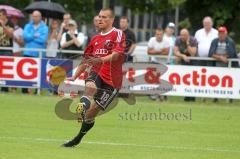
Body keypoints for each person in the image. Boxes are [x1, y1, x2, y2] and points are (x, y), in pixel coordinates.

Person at [62, 8, 125, 147]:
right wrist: (75, 76)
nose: (100, 19)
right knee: (90, 87)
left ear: (112, 19)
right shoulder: (95, 39)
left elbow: (116, 55)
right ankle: (82, 106)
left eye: (104, 17)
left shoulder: (118, 34)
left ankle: (78, 138)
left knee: (92, 113)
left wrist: (100, 59)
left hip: (113, 80)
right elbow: (86, 60)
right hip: (97, 72)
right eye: (99, 17)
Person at [208, 26, 238, 103]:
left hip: (229, 66)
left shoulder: (230, 41)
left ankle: (230, 98)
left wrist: (220, 56)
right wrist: (221, 58)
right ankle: (215, 97)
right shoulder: (214, 41)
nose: (221, 35)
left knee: (230, 82)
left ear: (226, 33)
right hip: (217, 65)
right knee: (216, 81)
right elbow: (211, 53)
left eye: (222, 33)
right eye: (220, 33)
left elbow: (232, 54)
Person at [22, 10, 48, 94]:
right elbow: (25, 37)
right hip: (28, 52)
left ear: (40, 17)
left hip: (39, 54)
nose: (35, 18)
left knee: (38, 73)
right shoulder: (27, 25)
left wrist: (31, 37)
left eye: (37, 16)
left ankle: (37, 91)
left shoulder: (45, 27)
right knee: (25, 73)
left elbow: (43, 39)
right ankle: (25, 91)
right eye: (34, 16)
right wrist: (35, 35)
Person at [174, 28, 198, 102]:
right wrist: (183, 56)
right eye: (181, 35)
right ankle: (186, 96)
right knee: (185, 79)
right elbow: (175, 52)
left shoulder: (193, 40)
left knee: (193, 79)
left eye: (184, 35)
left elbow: (193, 53)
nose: (182, 37)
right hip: (183, 61)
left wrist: (187, 44)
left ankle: (192, 96)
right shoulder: (178, 39)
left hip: (193, 62)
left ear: (188, 35)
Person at [147, 28, 170, 101]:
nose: (159, 36)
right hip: (154, 62)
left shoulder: (166, 41)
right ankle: (154, 95)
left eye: (160, 34)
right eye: (157, 34)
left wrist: (154, 51)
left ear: (163, 35)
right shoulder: (152, 40)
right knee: (154, 80)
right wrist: (160, 51)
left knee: (163, 80)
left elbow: (166, 53)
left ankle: (162, 95)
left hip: (164, 63)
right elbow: (148, 52)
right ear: (155, 34)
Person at [0, 9, 14, 92]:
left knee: (6, 70)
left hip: (7, 50)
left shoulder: (10, 23)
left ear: (5, 15)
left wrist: (3, 25)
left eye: (0, 15)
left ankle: (5, 88)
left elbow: (10, 35)